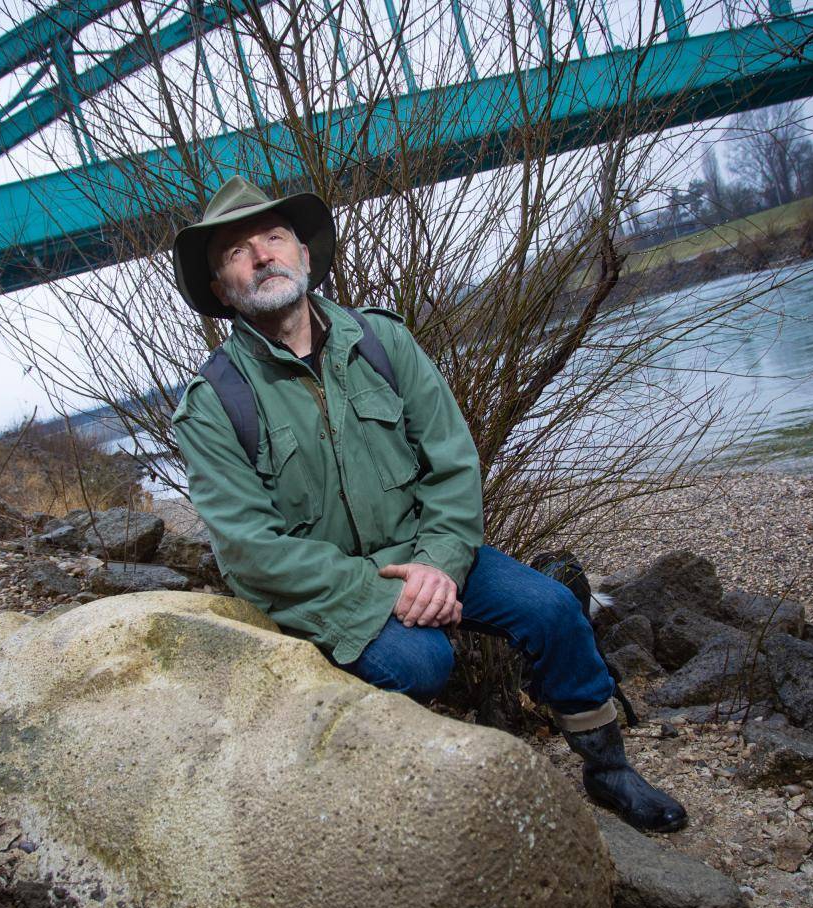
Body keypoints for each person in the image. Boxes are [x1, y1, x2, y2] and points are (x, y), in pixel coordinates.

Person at [169, 177, 686, 833]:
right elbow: (250, 551)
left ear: (302, 254)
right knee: (420, 663)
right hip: (332, 594)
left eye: (274, 237)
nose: (263, 255)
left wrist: (438, 564)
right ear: (221, 289)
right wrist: (390, 592)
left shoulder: (383, 342)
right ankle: (379, 792)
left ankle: (609, 770)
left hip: (427, 550)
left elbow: (452, 461)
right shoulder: (213, 402)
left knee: (553, 608)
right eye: (239, 251)